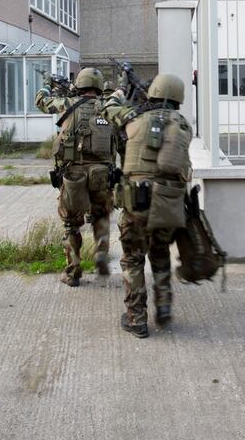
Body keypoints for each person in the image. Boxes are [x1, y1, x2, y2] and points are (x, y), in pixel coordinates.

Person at [101, 74, 193, 338]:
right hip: (168, 205)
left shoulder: (134, 119)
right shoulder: (184, 126)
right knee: (161, 254)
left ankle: (137, 319)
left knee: (132, 260)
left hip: (136, 205)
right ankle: (163, 311)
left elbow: (108, 110)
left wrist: (120, 89)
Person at [36, 67, 116, 287]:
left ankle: (73, 273)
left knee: (71, 224)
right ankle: (101, 252)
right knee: (100, 215)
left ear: (79, 85)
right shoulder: (108, 108)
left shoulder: (67, 104)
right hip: (102, 174)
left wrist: (47, 84)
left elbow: (41, 101)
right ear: (99, 87)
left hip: (73, 175)